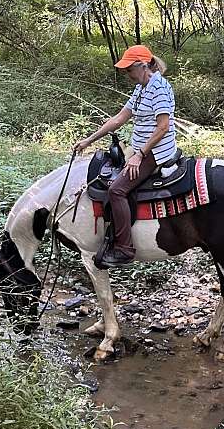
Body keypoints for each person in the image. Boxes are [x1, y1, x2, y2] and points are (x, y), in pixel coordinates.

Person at [74, 45, 177, 267]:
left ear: (142, 66)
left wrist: (139, 155)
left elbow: (163, 127)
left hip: (155, 151)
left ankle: (124, 249)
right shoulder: (142, 87)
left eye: (129, 70)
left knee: (117, 190)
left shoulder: (158, 88)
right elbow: (119, 119)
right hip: (139, 146)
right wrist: (88, 140)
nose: (127, 75)